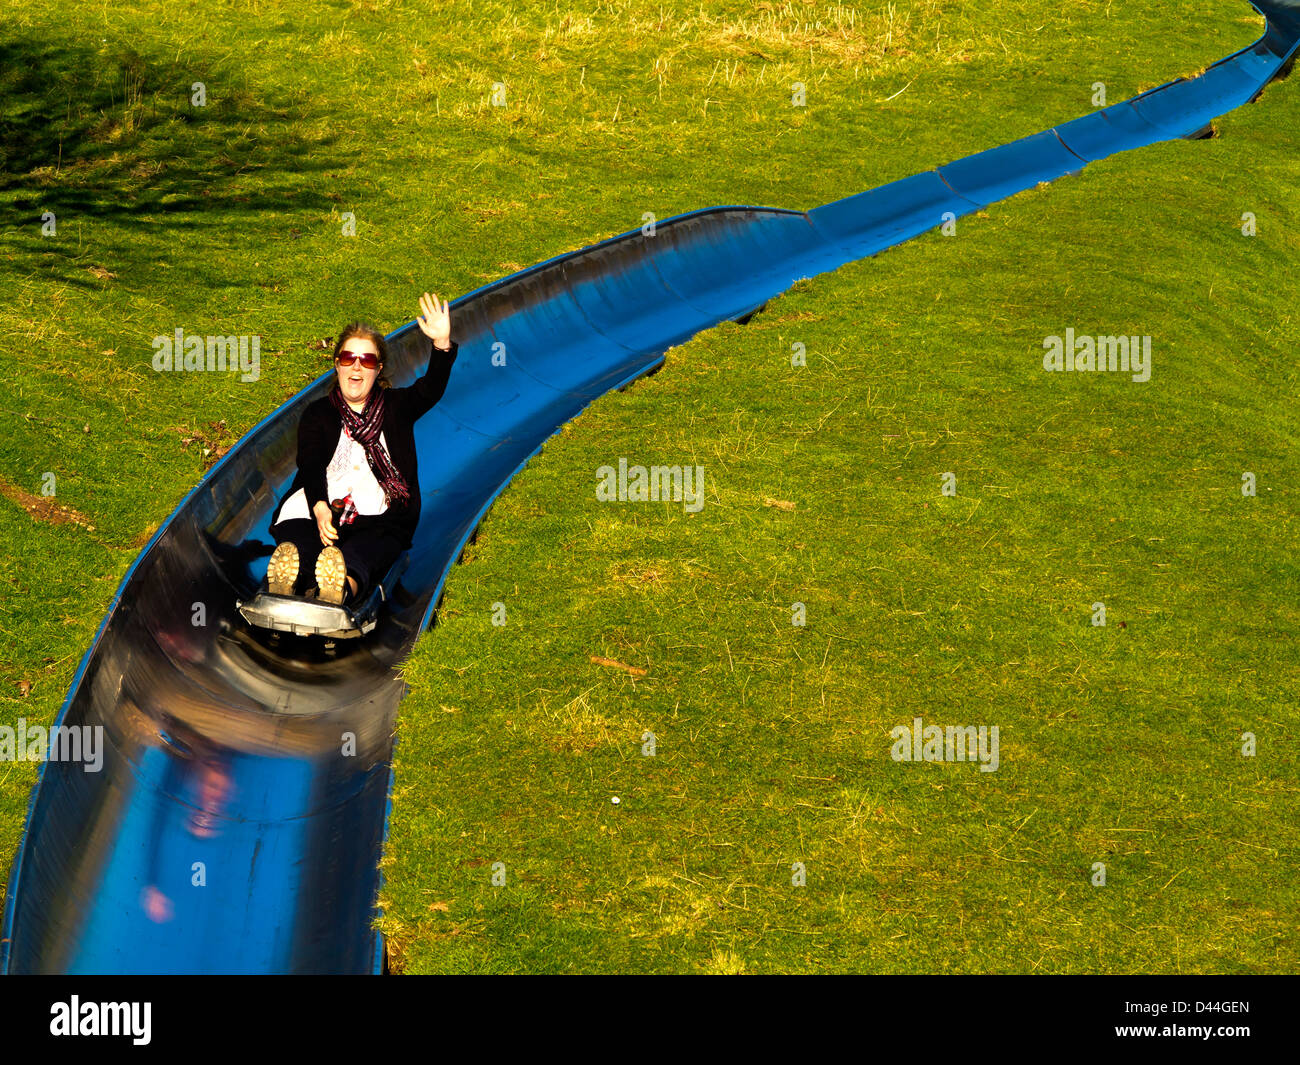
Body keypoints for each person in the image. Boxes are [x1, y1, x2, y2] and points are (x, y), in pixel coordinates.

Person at [266, 292, 458, 606]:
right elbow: (310, 463)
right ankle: (287, 578)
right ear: (337, 365)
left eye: (366, 360)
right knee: (304, 537)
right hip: (321, 506)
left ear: (378, 368)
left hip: (377, 514)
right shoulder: (318, 414)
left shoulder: (397, 408)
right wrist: (318, 506)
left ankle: (339, 589)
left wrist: (441, 345)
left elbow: (430, 389)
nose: (356, 366)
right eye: (347, 358)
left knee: (365, 551)